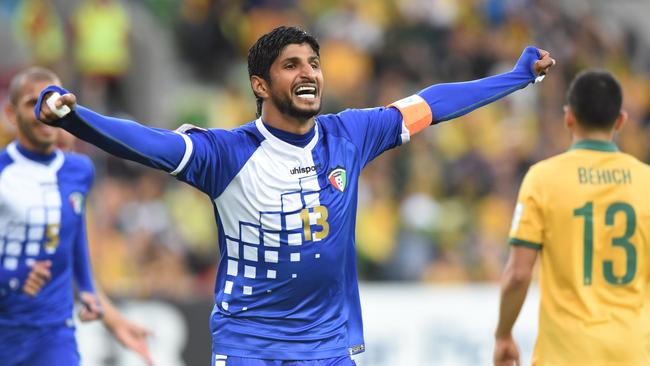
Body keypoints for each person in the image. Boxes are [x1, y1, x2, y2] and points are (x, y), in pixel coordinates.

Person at [36, 26, 554, 366]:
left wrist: (513, 78)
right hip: (249, 346)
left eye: (313, 62)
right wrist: (74, 117)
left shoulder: (351, 134)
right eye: (292, 65)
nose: (308, 72)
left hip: (327, 348)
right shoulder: (226, 153)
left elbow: (432, 104)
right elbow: (146, 143)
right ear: (261, 85)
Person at [493, 69, 650, 366]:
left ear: (568, 117)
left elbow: (518, 275)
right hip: (632, 354)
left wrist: (503, 334)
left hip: (564, 355)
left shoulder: (543, 179)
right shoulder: (646, 182)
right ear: (620, 121)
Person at [0, 67, 152, 366]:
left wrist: (92, 296)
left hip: (53, 335)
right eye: (32, 103)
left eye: (52, 99)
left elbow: (73, 241)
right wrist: (13, 278)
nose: (44, 108)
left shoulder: (80, 170)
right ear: (10, 112)